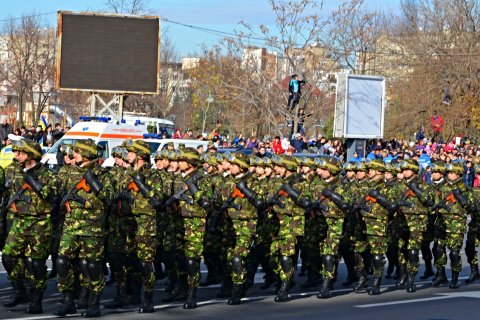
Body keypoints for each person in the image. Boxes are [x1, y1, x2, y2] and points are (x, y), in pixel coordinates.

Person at [54, 139, 114, 317]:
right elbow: (55, 191)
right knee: (62, 261)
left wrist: (93, 182)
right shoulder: (69, 172)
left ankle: (93, 303)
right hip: (71, 225)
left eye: (77, 152)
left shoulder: (102, 174)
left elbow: (108, 197)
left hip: (92, 227)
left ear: (87, 154)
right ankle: (68, 300)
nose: (74, 155)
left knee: (92, 266)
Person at [2, 140, 56, 314]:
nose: (17, 155)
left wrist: (34, 181)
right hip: (19, 221)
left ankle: (36, 299)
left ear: (31, 155)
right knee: (9, 256)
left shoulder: (47, 174)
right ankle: (21, 289)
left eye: (21, 152)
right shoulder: (15, 171)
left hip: (39, 223)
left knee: (36, 264)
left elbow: (52, 196)